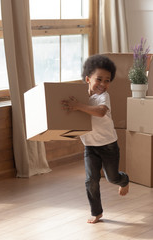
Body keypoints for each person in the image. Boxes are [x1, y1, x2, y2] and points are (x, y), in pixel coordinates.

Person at [61, 54, 129, 224]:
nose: (103, 84)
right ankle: (96, 212)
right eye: (99, 79)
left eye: (107, 81)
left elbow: (100, 112)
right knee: (91, 180)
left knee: (111, 177)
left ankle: (124, 179)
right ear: (87, 79)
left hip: (108, 145)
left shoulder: (103, 97)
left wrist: (78, 106)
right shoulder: (80, 98)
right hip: (90, 147)